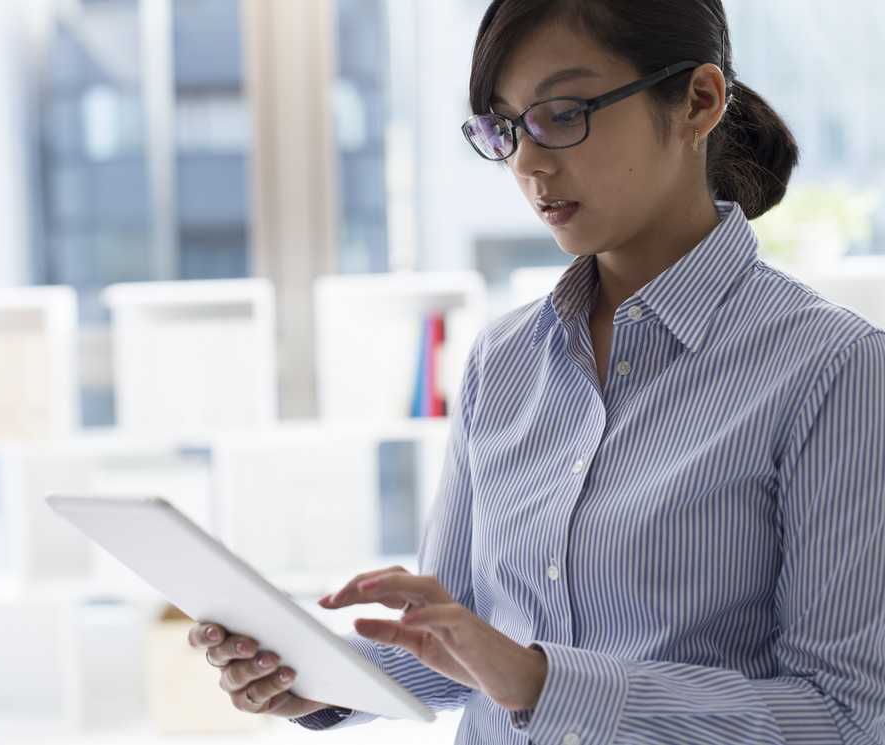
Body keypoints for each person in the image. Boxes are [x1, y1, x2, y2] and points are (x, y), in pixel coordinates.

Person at [188, 0, 885, 742]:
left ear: (698, 102)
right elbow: (463, 640)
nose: (527, 161)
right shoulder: (503, 361)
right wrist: (309, 677)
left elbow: (844, 713)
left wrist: (546, 684)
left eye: (563, 113)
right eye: (506, 126)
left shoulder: (834, 370)